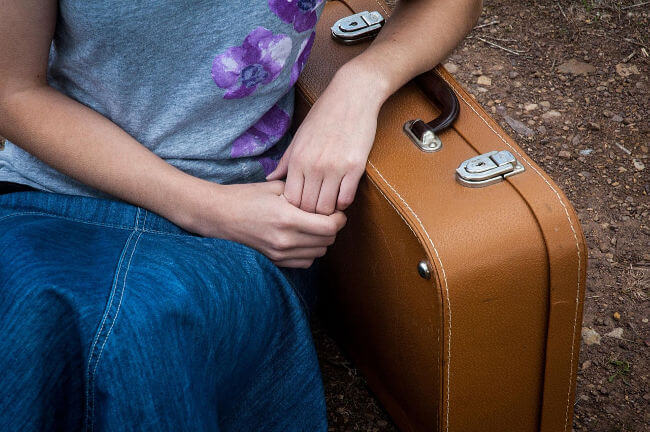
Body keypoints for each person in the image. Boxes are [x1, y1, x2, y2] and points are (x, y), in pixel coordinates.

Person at [0, 0, 482, 430]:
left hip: (244, 224)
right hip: (55, 197)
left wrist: (360, 83)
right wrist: (203, 207)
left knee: (143, 337)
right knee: (36, 324)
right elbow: (13, 90)